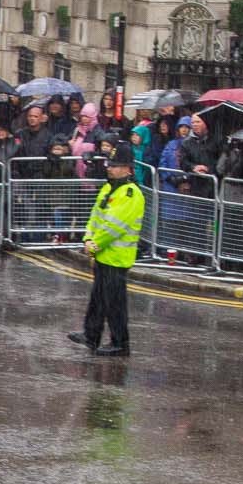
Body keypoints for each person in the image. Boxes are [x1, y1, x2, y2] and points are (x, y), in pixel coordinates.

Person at [70, 150, 142, 356]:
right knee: (98, 299)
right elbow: (96, 216)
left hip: (117, 257)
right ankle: (91, 335)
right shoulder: (109, 188)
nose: (109, 167)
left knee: (115, 303)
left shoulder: (131, 193)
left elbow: (115, 226)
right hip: (103, 254)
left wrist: (94, 243)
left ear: (127, 169)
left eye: (115, 165)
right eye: (109, 164)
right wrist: (87, 237)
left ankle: (120, 343)